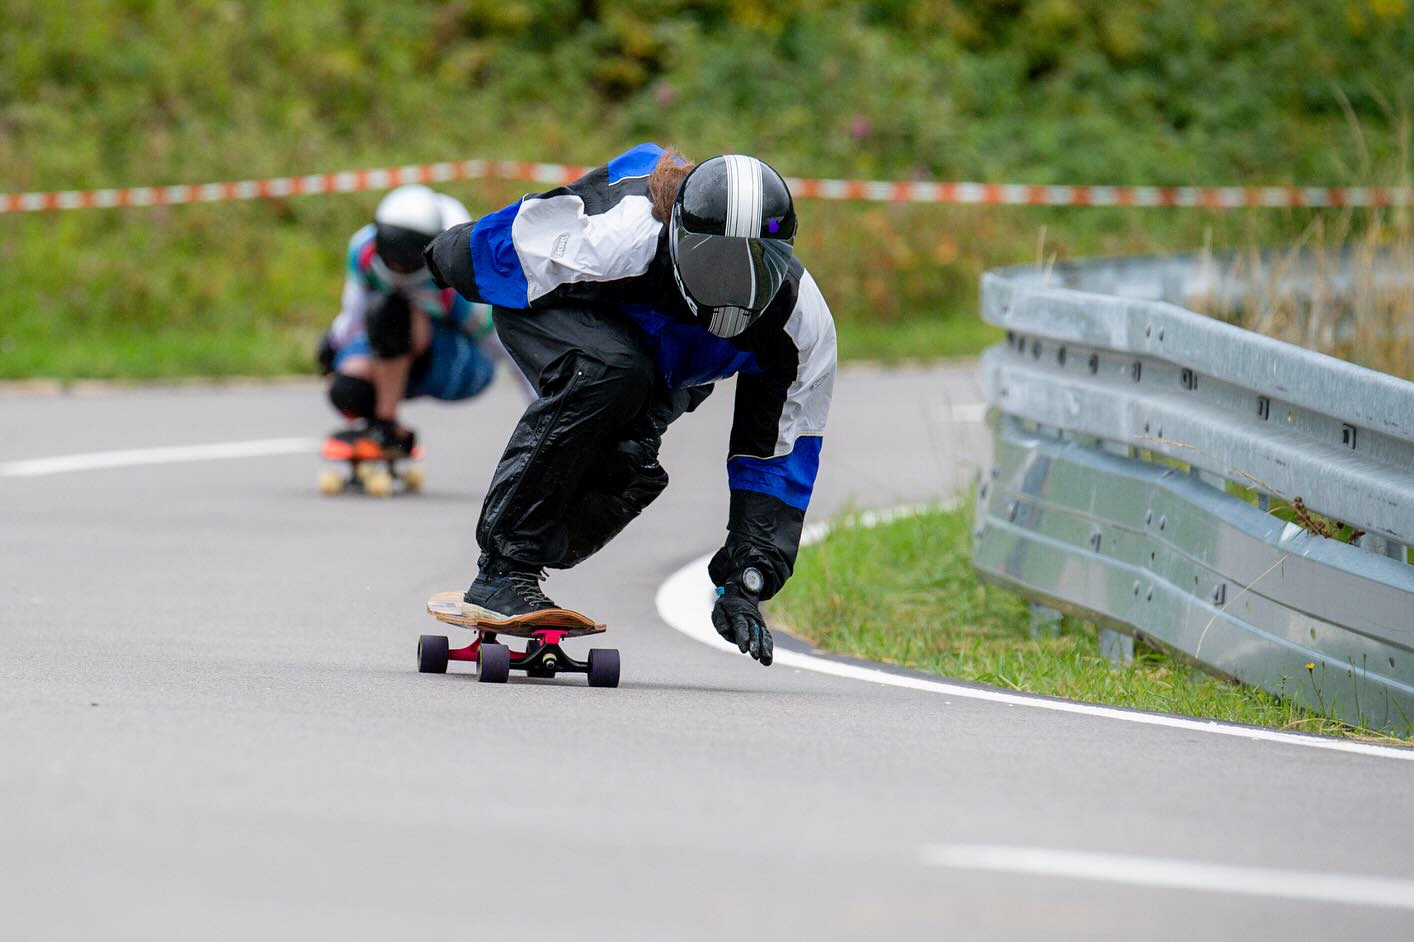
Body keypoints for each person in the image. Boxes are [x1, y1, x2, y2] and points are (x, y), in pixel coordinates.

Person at [424, 144, 836, 666]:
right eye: (714, 266)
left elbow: (780, 451)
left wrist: (748, 577)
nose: (733, 290)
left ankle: (525, 571)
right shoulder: (619, 234)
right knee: (612, 373)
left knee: (630, 461)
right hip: (561, 311)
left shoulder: (801, 325)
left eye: (756, 268)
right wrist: (445, 256)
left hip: (670, 362)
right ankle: (504, 571)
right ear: (680, 240)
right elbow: (497, 249)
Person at [317, 183, 509, 456]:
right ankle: (389, 432)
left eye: (405, 257)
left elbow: (502, 341)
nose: (396, 265)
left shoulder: (458, 272)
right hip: (396, 351)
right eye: (390, 253)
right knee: (348, 389)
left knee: (393, 312)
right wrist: (332, 344)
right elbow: (354, 314)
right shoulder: (363, 253)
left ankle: (384, 426)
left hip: (462, 366)